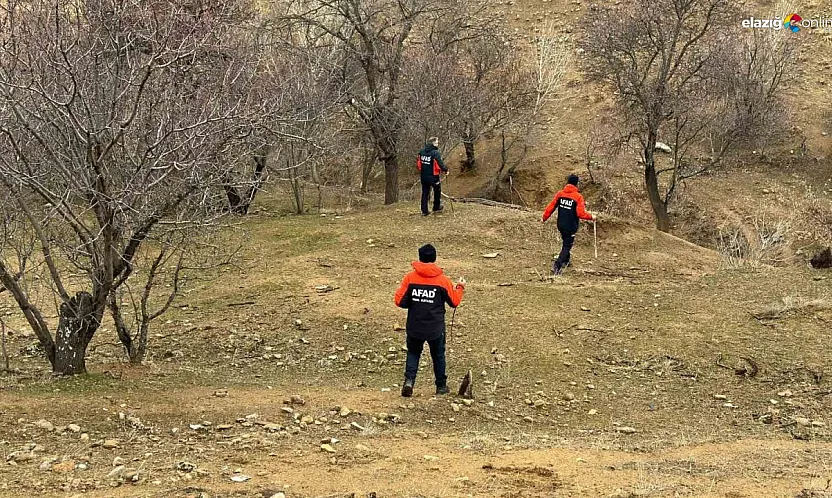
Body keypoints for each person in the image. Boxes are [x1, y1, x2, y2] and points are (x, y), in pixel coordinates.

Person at [393, 244, 465, 397]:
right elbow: (454, 302)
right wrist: (460, 287)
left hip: (415, 325)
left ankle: (409, 382)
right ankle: (441, 386)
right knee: (438, 355)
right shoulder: (443, 280)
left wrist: (415, 301)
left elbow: (399, 301)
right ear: (434, 258)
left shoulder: (410, 278)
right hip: (435, 327)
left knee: (413, 352)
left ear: (420, 258)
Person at [542, 174, 595, 275]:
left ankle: (566, 261)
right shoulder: (578, 197)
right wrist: (591, 217)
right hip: (571, 226)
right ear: (576, 184)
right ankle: (557, 265)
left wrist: (544, 217)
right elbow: (581, 214)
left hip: (560, 224)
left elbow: (551, 206)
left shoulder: (560, 194)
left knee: (565, 242)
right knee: (567, 245)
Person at [417, 137, 448, 216]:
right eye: (437, 142)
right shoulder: (435, 153)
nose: (438, 144)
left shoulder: (421, 151)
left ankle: (424, 211)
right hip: (433, 176)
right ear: (433, 143)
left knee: (425, 193)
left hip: (423, 176)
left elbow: (419, 163)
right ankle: (436, 207)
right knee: (437, 191)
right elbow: (440, 163)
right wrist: (446, 170)